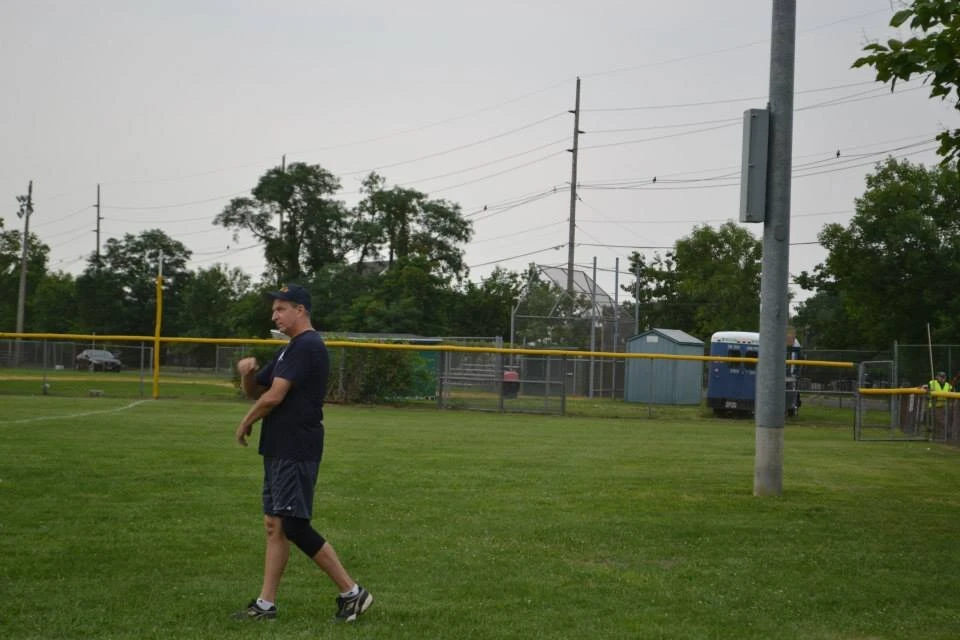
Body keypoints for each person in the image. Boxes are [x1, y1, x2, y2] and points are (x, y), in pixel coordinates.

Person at [232, 283, 372, 623]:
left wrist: (245, 422)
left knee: (294, 525)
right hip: (279, 447)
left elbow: (273, 397)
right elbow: (258, 391)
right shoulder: (288, 349)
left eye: (281, 309)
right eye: (274, 310)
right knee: (274, 524)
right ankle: (266, 605)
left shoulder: (307, 346)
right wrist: (248, 375)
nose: (274, 315)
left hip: (296, 447)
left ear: (301, 310)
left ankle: (352, 593)